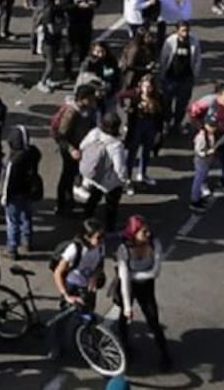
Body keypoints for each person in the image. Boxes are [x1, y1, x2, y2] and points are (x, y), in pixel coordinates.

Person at [115, 215, 172, 371]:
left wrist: (133, 275)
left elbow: (155, 272)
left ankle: (165, 355)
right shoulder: (124, 249)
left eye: (148, 231)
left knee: (153, 319)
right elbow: (124, 280)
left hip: (146, 286)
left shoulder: (154, 244)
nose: (148, 234)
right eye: (143, 232)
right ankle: (125, 348)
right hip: (128, 286)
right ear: (133, 233)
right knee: (123, 318)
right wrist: (127, 306)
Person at [48, 219, 107, 361]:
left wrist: (95, 276)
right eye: (98, 237)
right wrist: (66, 295)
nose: (101, 240)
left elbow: (100, 264)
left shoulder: (100, 246)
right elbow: (58, 272)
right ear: (87, 237)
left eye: (102, 236)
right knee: (63, 318)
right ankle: (56, 346)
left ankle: (89, 343)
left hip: (86, 286)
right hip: (71, 285)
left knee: (89, 315)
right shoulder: (74, 249)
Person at [79, 112, 129, 230]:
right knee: (112, 203)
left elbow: (82, 146)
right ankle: (110, 226)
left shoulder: (95, 133)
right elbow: (119, 168)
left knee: (93, 198)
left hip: (94, 174)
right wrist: (125, 180)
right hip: (109, 180)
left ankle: (86, 218)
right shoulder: (116, 145)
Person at [52, 85, 97, 216]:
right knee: (66, 176)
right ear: (82, 99)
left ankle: (69, 200)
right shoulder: (71, 113)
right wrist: (71, 150)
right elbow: (61, 136)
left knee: (73, 174)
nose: (94, 100)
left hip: (80, 148)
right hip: (69, 149)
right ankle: (62, 205)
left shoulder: (88, 109)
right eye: (91, 98)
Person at [2, 125, 41, 260]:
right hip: (28, 191)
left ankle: (12, 248)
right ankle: (27, 241)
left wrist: (4, 197)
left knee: (12, 221)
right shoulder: (33, 153)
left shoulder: (14, 162)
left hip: (14, 195)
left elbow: (8, 182)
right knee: (26, 217)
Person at [158, 21, 201, 136]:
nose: (185, 33)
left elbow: (197, 59)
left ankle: (177, 124)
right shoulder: (170, 41)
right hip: (170, 79)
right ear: (177, 31)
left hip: (186, 79)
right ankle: (166, 122)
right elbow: (164, 59)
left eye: (186, 30)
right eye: (182, 30)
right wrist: (162, 75)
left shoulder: (194, 41)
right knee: (166, 103)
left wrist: (195, 76)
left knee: (182, 105)